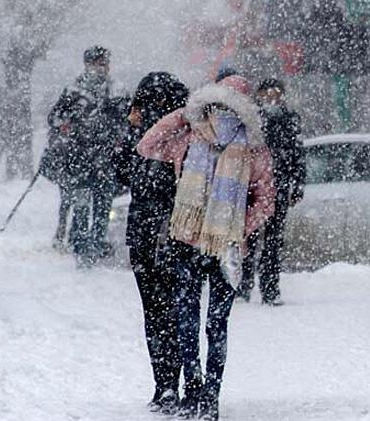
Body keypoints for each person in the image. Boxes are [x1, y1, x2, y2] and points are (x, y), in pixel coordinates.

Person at [137, 74, 275, 421]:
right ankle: (208, 395)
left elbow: (147, 144)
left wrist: (184, 114)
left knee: (190, 320)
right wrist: (237, 228)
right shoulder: (249, 147)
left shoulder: (192, 137)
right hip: (220, 247)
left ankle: (197, 391)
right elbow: (266, 201)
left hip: (194, 243)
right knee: (214, 324)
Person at [114, 72, 189, 414]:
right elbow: (120, 173)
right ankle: (171, 383)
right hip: (163, 234)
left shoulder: (172, 138)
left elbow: (121, 174)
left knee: (161, 313)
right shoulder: (180, 135)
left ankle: (168, 383)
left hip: (162, 234)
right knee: (168, 312)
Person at [44, 46, 118, 264]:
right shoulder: (74, 91)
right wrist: (69, 124)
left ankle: (96, 242)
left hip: (104, 159)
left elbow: (125, 121)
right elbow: (55, 118)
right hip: (79, 158)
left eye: (103, 63)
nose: (100, 68)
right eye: (96, 63)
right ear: (87, 65)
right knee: (82, 204)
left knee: (103, 205)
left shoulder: (116, 90)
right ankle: (81, 245)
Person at [237, 78, 304, 306]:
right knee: (249, 237)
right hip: (253, 187)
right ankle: (244, 285)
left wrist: (297, 184)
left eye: (277, 94)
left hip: (279, 186)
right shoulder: (251, 119)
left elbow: (297, 153)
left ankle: (270, 288)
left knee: (274, 241)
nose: (273, 99)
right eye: (268, 94)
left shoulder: (289, 119)